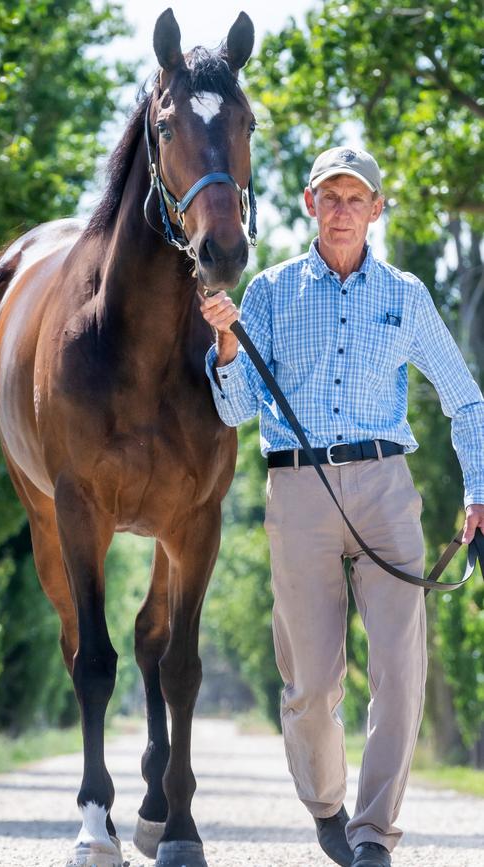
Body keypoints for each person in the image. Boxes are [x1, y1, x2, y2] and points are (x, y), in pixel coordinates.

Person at [199, 146, 484, 867]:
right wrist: (227, 341)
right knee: (310, 684)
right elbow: (234, 412)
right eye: (331, 197)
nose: (343, 211)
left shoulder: (407, 295)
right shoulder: (267, 292)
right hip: (297, 493)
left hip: (387, 488)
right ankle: (326, 802)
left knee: (400, 667)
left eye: (357, 198)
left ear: (377, 209)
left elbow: (466, 397)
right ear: (307, 203)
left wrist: (479, 488)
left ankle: (373, 833)